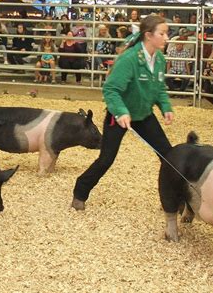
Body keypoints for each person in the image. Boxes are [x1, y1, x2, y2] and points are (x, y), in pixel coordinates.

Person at [71, 15, 174, 211]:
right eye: (162, 33)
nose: (166, 37)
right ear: (149, 35)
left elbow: (159, 88)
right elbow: (111, 90)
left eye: (166, 33)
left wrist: (165, 107)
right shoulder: (130, 59)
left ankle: (170, 200)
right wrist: (120, 112)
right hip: (118, 117)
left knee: (168, 156)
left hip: (143, 115)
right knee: (106, 159)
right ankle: (80, 191)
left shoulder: (159, 58)